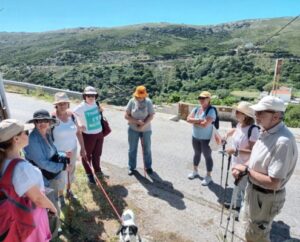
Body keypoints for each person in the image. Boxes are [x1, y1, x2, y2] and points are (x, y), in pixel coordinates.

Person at [232, 96, 298, 242]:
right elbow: (255, 158)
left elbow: (274, 182)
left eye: (261, 112)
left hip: (265, 197)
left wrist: (246, 171)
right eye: (256, 112)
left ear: (275, 116)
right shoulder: (266, 131)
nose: (256, 116)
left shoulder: (283, 142)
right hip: (254, 191)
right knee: (249, 230)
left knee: (257, 236)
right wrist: (244, 166)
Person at [0, 119, 57, 241]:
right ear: (16, 139)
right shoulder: (22, 168)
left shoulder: (3, 161)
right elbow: (38, 199)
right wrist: (53, 208)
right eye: (25, 132)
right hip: (29, 217)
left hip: (15, 216)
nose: (28, 134)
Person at [24, 109, 68, 237]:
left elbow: (52, 152)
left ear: (49, 122)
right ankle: (53, 233)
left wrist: (63, 156)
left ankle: (51, 228)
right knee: (51, 207)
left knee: (52, 204)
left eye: (45, 120)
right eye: (39, 121)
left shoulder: (46, 134)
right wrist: (62, 166)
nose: (42, 123)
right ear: (35, 123)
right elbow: (42, 163)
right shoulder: (33, 139)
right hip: (42, 180)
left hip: (50, 176)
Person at [224, 101, 259, 215]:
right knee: (238, 186)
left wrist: (235, 151)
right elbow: (238, 132)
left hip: (245, 165)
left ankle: (243, 212)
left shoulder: (253, 130)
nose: (236, 113)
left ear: (245, 115)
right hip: (236, 162)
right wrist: (228, 134)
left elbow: (253, 151)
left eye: (238, 112)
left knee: (244, 190)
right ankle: (236, 205)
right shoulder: (240, 125)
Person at [51, 92, 86, 206]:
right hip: (59, 151)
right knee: (61, 173)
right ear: (56, 105)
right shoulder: (52, 118)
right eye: (60, 104)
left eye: (65, 103)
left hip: (72, 149)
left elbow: (78, 132)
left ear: (68, 104)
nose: (63, 106)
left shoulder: (72, 115)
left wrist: (82, 148)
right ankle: (60, 195)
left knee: (71, 170)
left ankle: (68, 191)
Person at [73, 86, 104, 184]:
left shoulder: (96, 103)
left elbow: (99, 113)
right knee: (86, 155)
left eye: (93, 96)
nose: (91, 97)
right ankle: (89, 174)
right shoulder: (81, 107)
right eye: (88, 95)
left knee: (97, 154)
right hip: (88, 135)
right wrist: (79, 124)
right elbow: (72, 115)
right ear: (84, 96)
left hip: (99, 133)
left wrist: (100, 111)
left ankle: (97, 170)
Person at [186, 91, 216, 186]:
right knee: (196, 154)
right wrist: (200, 120)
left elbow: (205, 124)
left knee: (207, 156)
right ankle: (195, 171)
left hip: (206, 138)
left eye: (203, 98)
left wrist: (194, 121)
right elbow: (188, 119)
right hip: (195, 136)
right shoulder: (196, 109)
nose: (201, 100)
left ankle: (208, 176)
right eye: (200, 98)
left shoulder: (211, 110)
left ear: (208, 99)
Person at [125, 85, 155, 175]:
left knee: (147, 149)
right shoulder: (131, 101)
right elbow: (126, 115)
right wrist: (136, 121)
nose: (140, 98)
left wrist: (143, 125)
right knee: (132, 149)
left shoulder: (148, 102)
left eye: (141, 96)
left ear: (145, 95)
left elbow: (151, 115)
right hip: (133, 129)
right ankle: (131, 167)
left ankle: (148, 167)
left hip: (146, 130)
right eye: (138, 96)